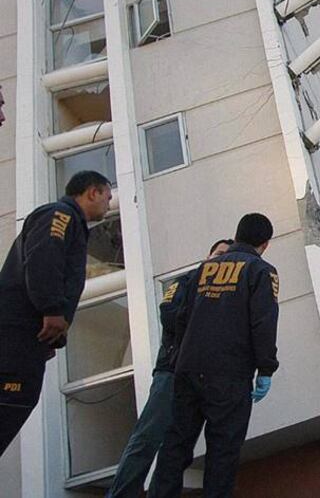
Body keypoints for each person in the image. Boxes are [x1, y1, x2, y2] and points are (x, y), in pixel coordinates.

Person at [149, 214, 279, 498]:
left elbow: (180, 317)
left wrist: (181, 358)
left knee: (175, 447)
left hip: (188, 370)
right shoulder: (260, 271)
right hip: (229, 375)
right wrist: (266, 369)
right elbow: (263, 323)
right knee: (223, 451)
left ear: (238, 234)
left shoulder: (202, 270)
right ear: (265, 244)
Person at [105, 239, 234, 498]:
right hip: (172, 374)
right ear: (208, 256)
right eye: (218, 254)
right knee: (147, 440)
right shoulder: (186, 282)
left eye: (226, 258)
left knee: (177, 450)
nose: (220, 261)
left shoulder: (227, 294)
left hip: (202, 380)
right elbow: (170, 314)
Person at [0, 171, 112, 454]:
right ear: (92, 192)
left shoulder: (68, 222)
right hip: (16, 333)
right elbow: (43, 259)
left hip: (24, 336)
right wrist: (51, 309)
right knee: (13, 400)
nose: (108, 205)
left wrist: (52, 339)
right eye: (107, 197)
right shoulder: (61, 215)